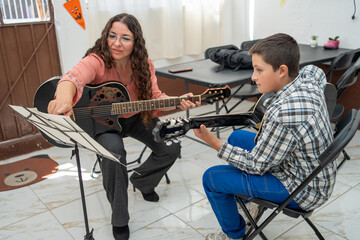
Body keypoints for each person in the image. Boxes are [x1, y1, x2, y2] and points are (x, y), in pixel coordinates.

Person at [47, 13, 200, 240]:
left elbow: (156, 98)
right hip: (103, 123)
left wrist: (179, 101)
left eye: (125, 38)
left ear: (135, 42)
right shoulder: (97, 60)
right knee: (114, 154)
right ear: (106, 37)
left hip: (136, 118)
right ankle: (119, 219)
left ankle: (142, 181)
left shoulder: (144, 65)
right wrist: (63, 99)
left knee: (171, 145)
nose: (117, 43)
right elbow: (72, 78)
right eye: (112, 36)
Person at [193, 33, 335, 240]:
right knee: (237, 137)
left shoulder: (284, 114)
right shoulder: (308, 76)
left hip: (303, 190)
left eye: (259, 70)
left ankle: (235, 234)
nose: (253, 76)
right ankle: (249, 203)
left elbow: (256, 165)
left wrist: (213, 142)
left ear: (282, 71)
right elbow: (316, 71)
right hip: (312, 173)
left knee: (211, 178)